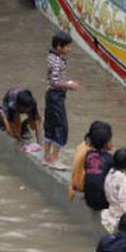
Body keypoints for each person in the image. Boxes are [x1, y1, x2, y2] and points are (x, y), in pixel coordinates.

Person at [44, 31, 80, 170]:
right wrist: (69, 85)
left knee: (50, 125)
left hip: (50, 96)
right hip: (56, 96)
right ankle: (54, 159)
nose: (69, 50)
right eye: (68, 47)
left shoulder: (51, 56)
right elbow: (55, 81)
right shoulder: (57, 61)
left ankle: (46, 157)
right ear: (59, 47)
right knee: (61, 126)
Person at [69, 121, 114, 211]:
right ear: (106, 143)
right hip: (100, 200)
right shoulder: (109, 158)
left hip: (87, 196)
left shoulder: (85, 150)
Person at [0, 88, 43, 153]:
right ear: (20, 106)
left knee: (34, 123)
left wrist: (39, 144)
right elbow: (12, 126)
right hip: (9, 101)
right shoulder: (12, 106)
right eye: (25, 109)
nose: (27, 111)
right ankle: (1, 113)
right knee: (12, 132)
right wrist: (21, 141)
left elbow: (37, 121)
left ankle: (24, 125)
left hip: (21, 104)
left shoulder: (32, 103)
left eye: (29, 109)